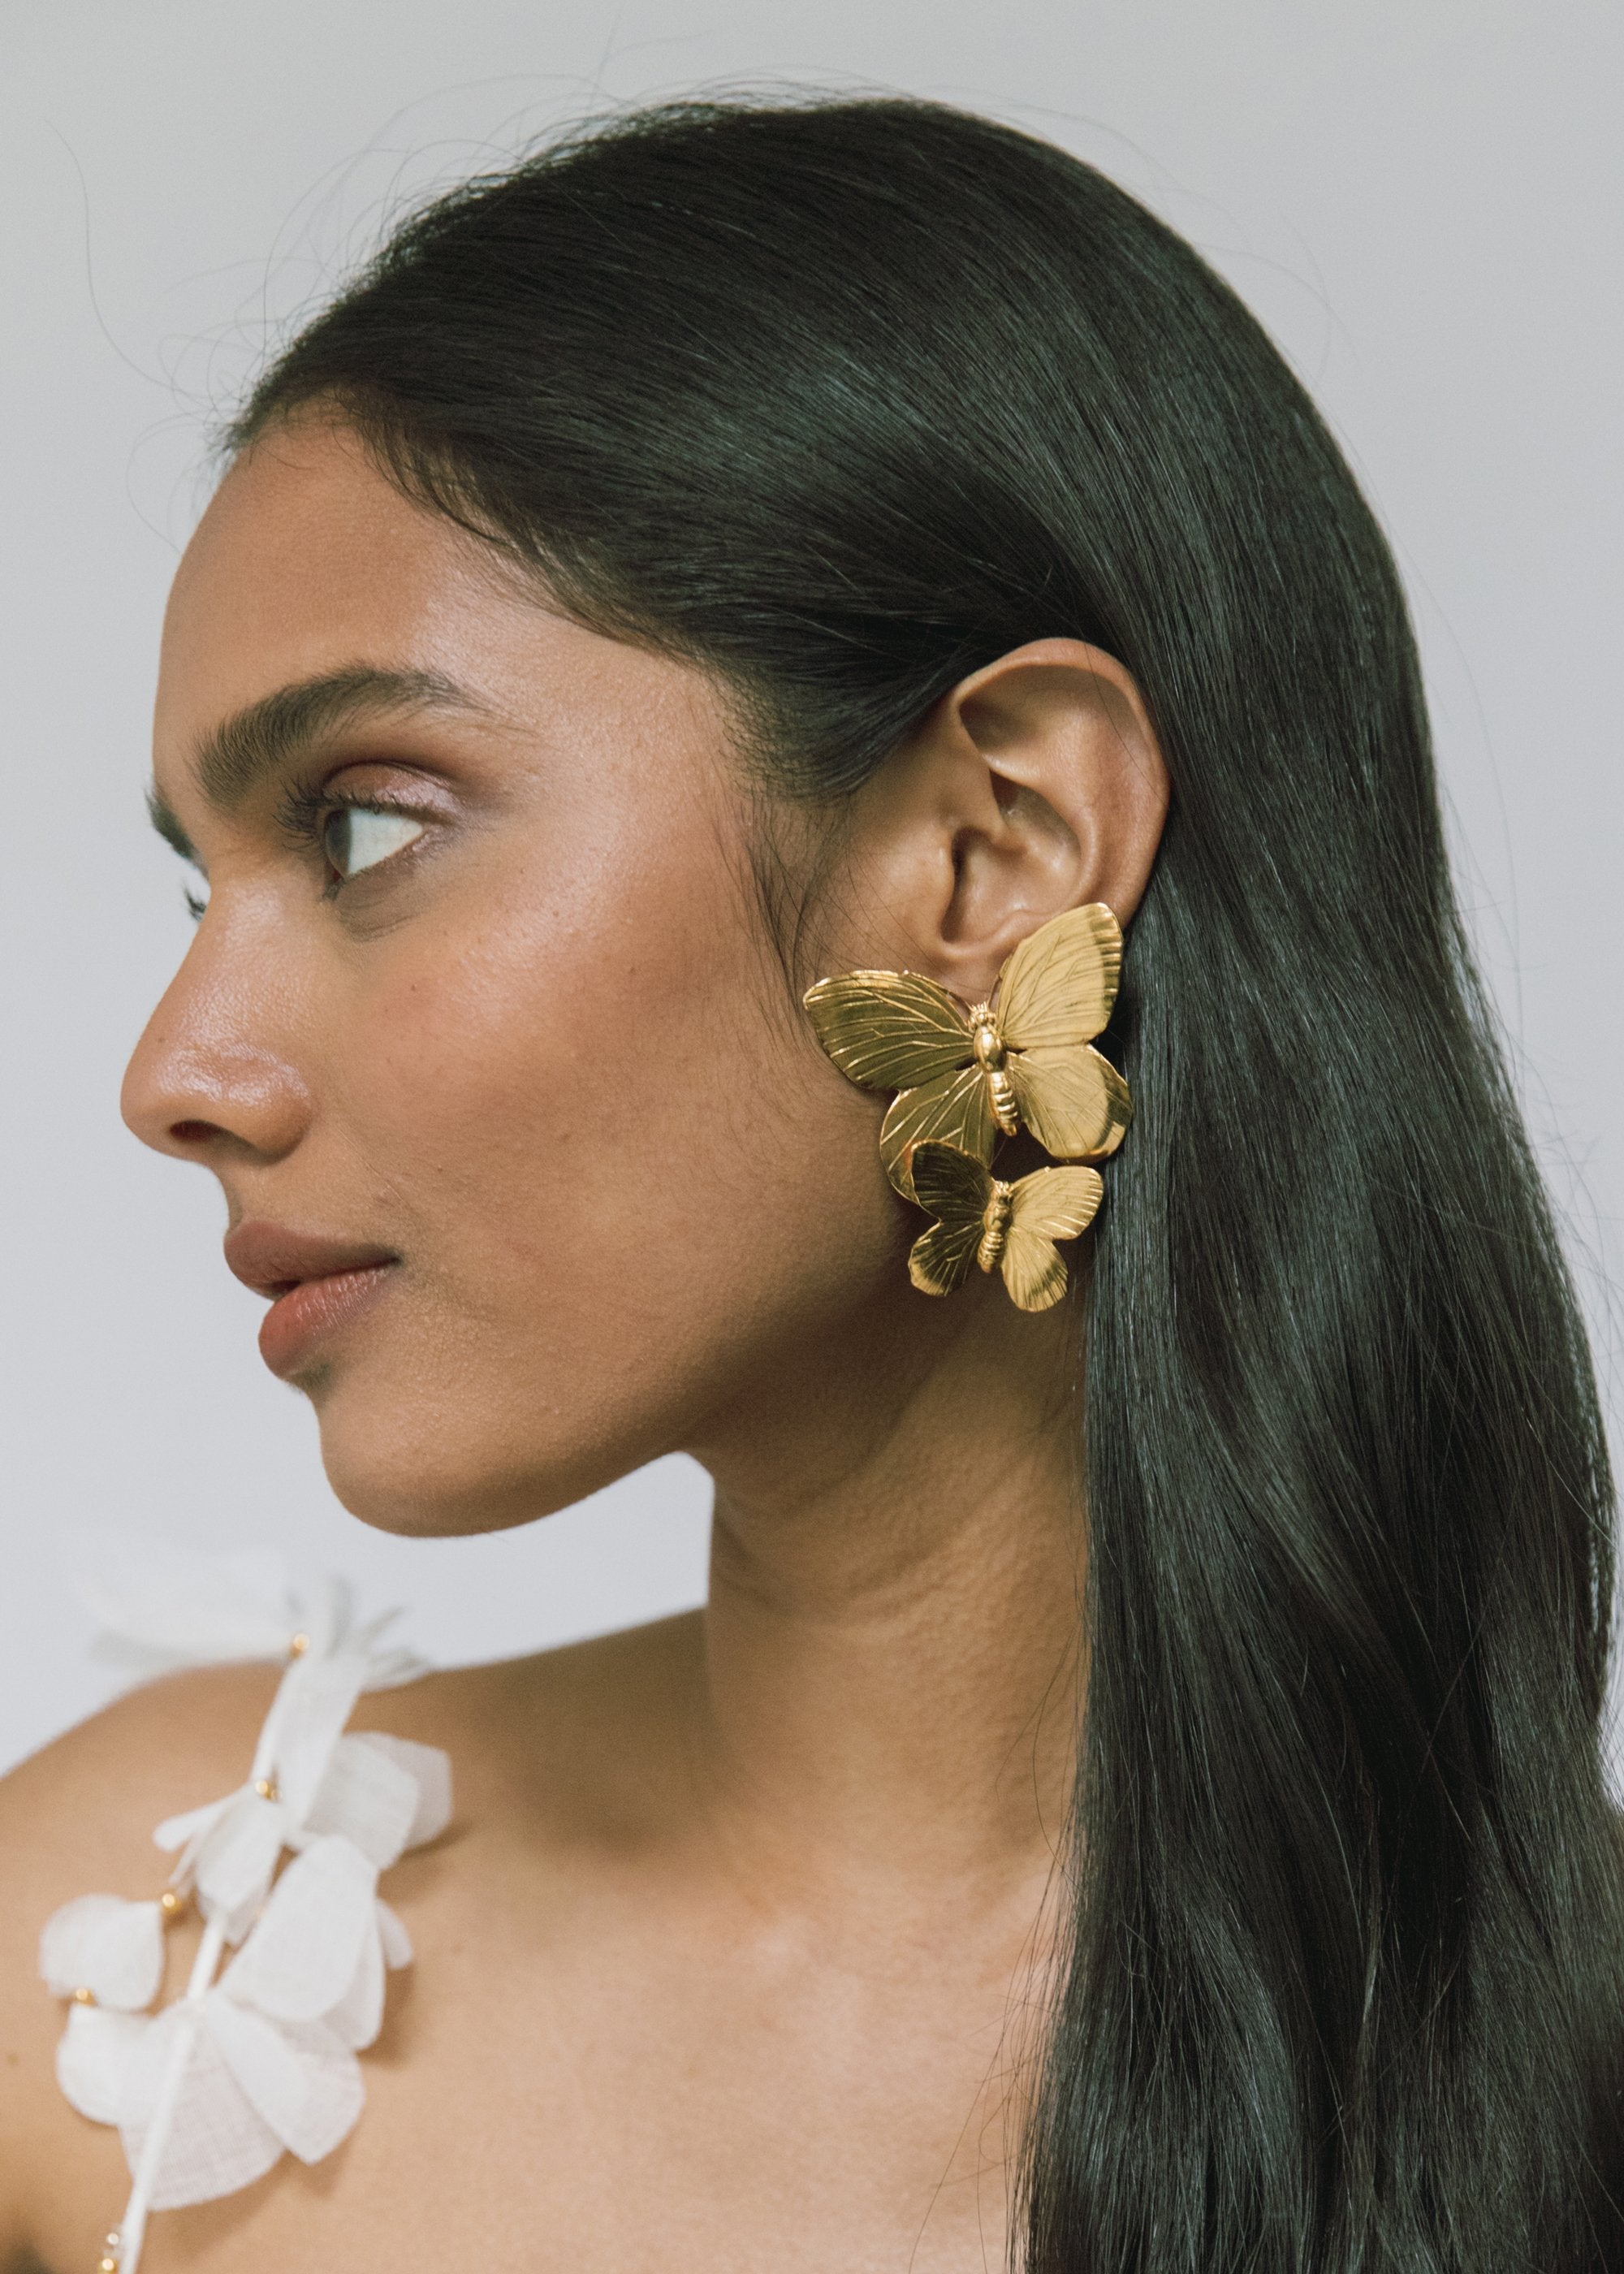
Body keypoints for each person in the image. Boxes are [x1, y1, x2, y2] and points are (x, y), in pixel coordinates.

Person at [2, 93, 1620, 2274]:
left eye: (367, 828)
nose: (173, 1076)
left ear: (990, 855)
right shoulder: (120, 1976)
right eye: (200, 889)